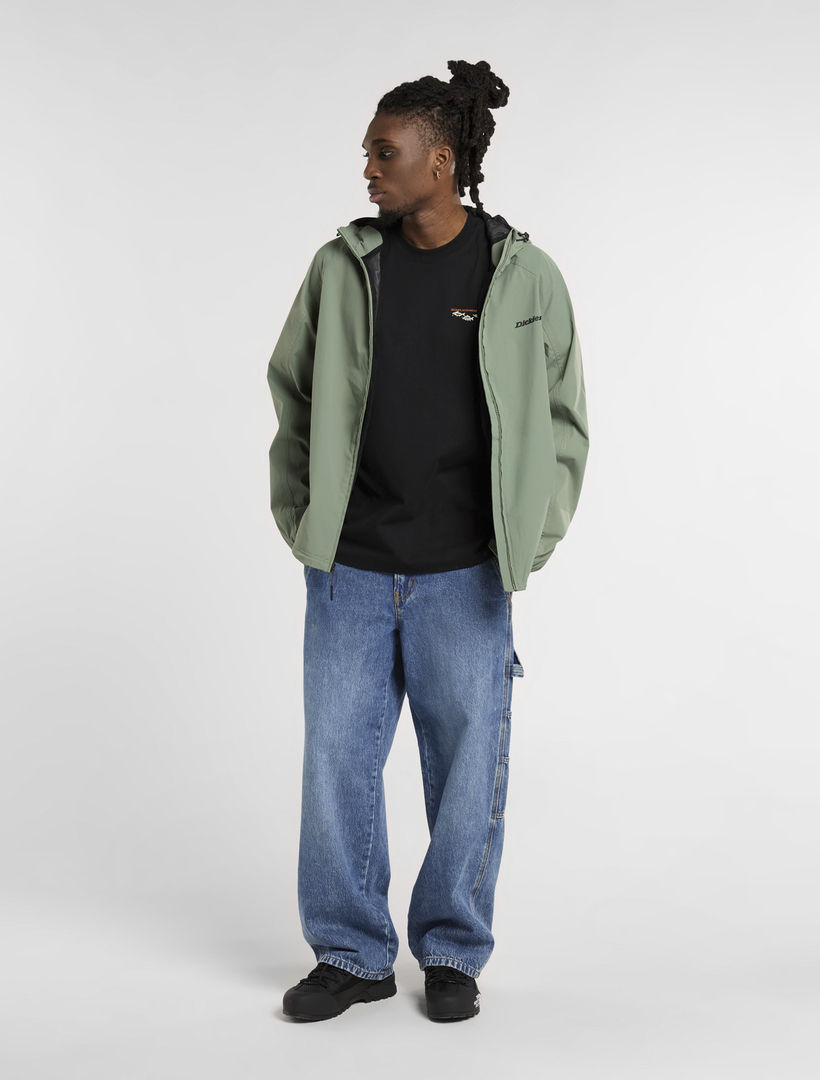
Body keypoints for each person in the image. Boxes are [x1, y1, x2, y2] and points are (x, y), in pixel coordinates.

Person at [267, 59, 590, 1023]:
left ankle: (451, 951)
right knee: (336, 767)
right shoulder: (343, 266)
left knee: (468, 771)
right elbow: (293, 392)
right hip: (351, 570)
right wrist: (304, 518)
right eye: (369, 153)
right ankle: (351, 955)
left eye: (385, 153)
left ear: (441, 162)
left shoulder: (522, 274)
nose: (368, 169)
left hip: (466, 573)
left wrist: (527, 537)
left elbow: (565, 417)